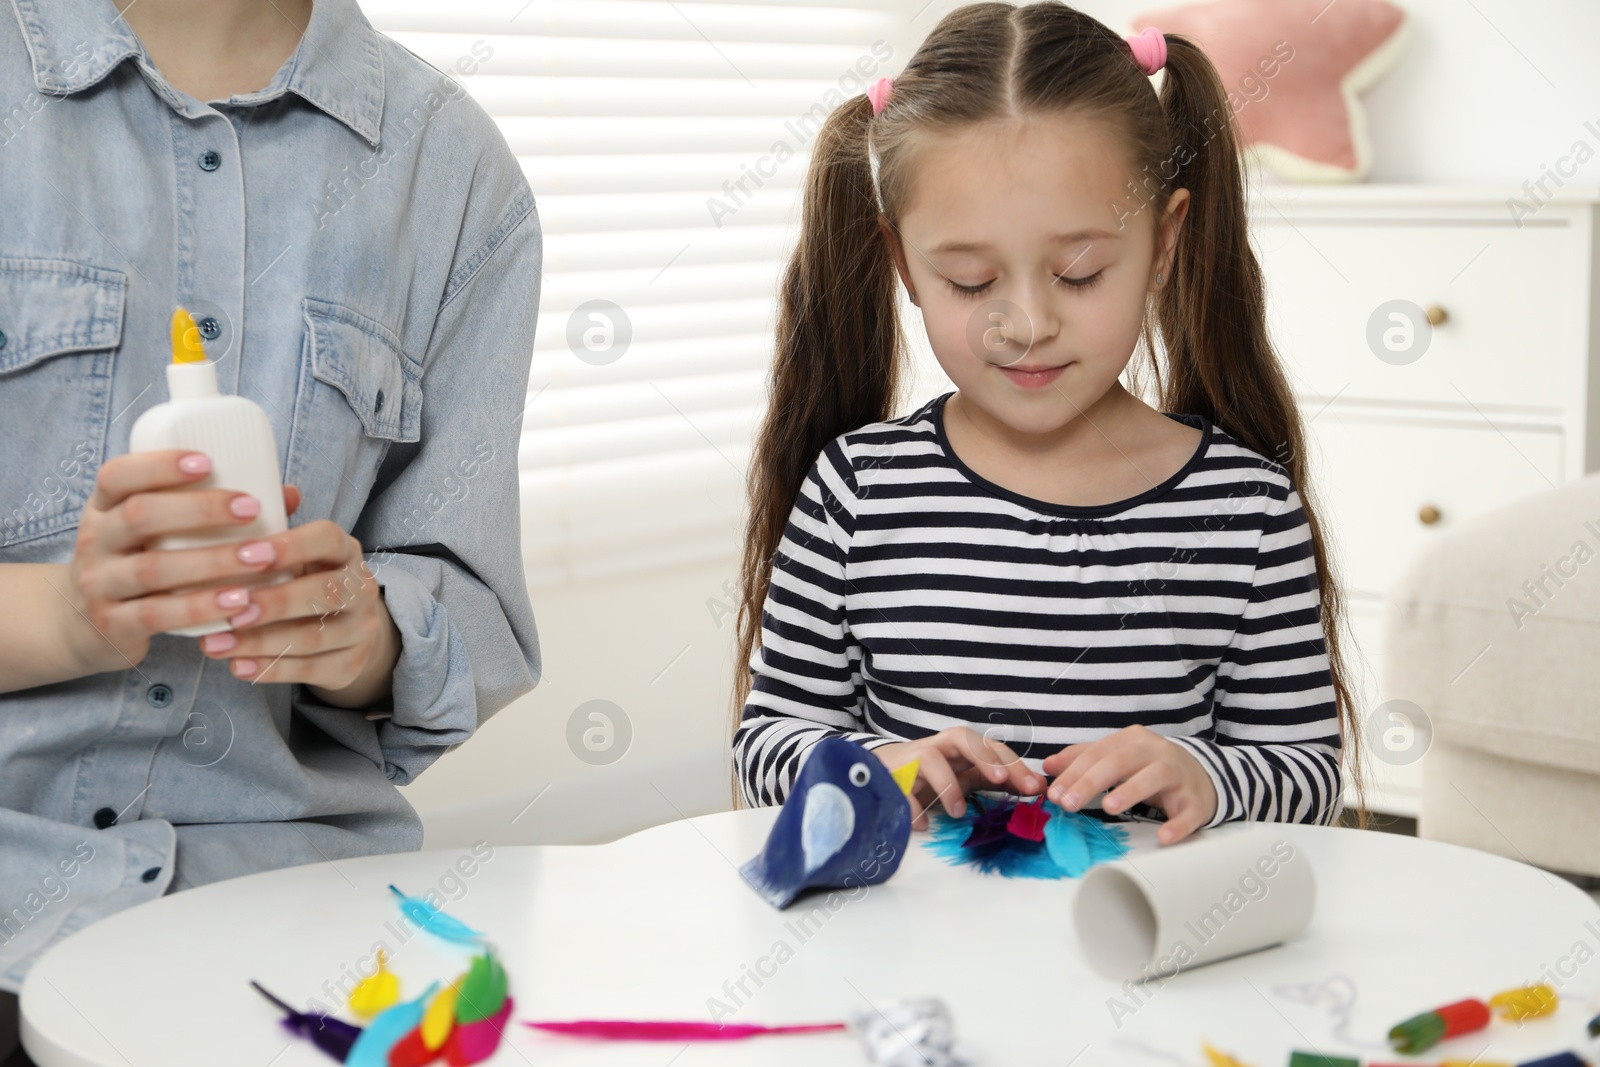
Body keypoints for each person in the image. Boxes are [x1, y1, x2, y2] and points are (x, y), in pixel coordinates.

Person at [0, 0, 541, 1052]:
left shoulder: (456, 174)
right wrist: (69, 614)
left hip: (290, 933)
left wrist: (362, 634)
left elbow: (471, 607)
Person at [732, 2, 1362, 845]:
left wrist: (1205, 772)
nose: (1025, 322)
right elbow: (768, 744)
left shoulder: (1241, 509)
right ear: (903, 264)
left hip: (1147, 953)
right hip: (913, 952)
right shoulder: (858, 491)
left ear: (1163, 243)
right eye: (969, 280)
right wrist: (882, 765)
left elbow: (1306, 775)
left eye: (1079, 273)